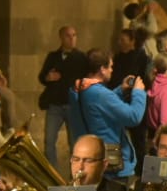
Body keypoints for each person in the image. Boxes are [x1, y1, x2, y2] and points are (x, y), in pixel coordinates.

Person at [69, 49, 149, 181]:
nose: (112, 70)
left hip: (91, 156)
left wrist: (120, 90)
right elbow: (133, 117)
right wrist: (138, 92)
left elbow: (97, 107)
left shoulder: (79, 89)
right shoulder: (100, 94)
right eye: (110, 66)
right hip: (109, 162)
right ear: (102, 69)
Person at [37, 25, 90, 169]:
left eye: (74, 35)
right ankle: (53, 174)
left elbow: (88, 78)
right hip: (55, 105)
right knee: (49, 141)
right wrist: (48, 77)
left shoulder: (81, 58)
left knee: (74, 143)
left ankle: (75, 177)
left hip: (73, 106)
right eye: (68, 35)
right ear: (61, 37)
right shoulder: (53, 57)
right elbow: (42, 77)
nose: (72, 39)